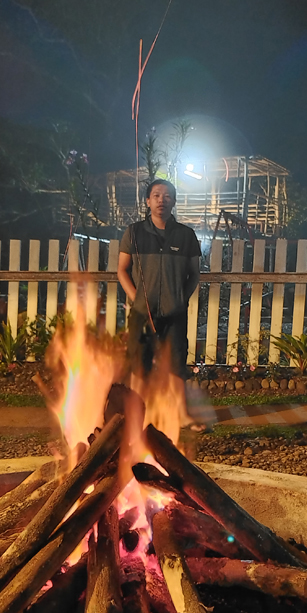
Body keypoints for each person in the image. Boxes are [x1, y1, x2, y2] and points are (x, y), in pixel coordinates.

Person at [117, 178, 202, 428]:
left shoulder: (186, 235)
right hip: (143, 312)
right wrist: (137, 299)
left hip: (175, 312)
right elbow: (122, 270)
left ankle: (182, 416)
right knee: (138, 364)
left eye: (166, 196)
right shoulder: (134, 232)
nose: (161, 200)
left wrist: (181, 297)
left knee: (176, 363)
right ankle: (136, 417)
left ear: (174, 201)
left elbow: (195, 274)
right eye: (156, 195)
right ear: (147, 201)